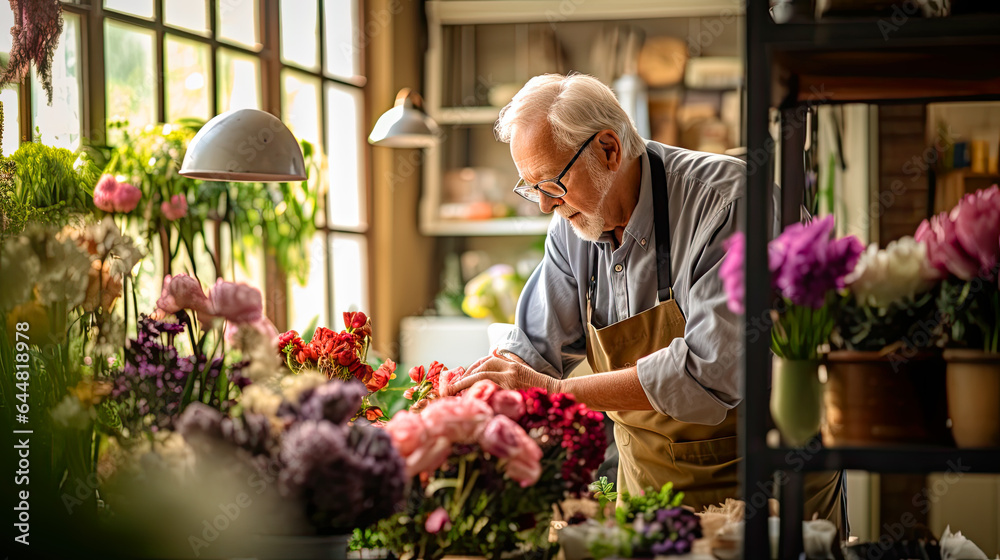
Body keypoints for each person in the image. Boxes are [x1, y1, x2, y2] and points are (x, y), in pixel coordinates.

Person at [442, 73, 844, 529]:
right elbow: (533, 349)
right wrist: (475, 395)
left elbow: (709, 373)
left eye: (551, 184)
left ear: (609, 150)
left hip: (763, 490)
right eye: (531, 187)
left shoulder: (729, 203)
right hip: (651, 496)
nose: (543, 205)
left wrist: (553, 392)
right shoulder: (573, 225)